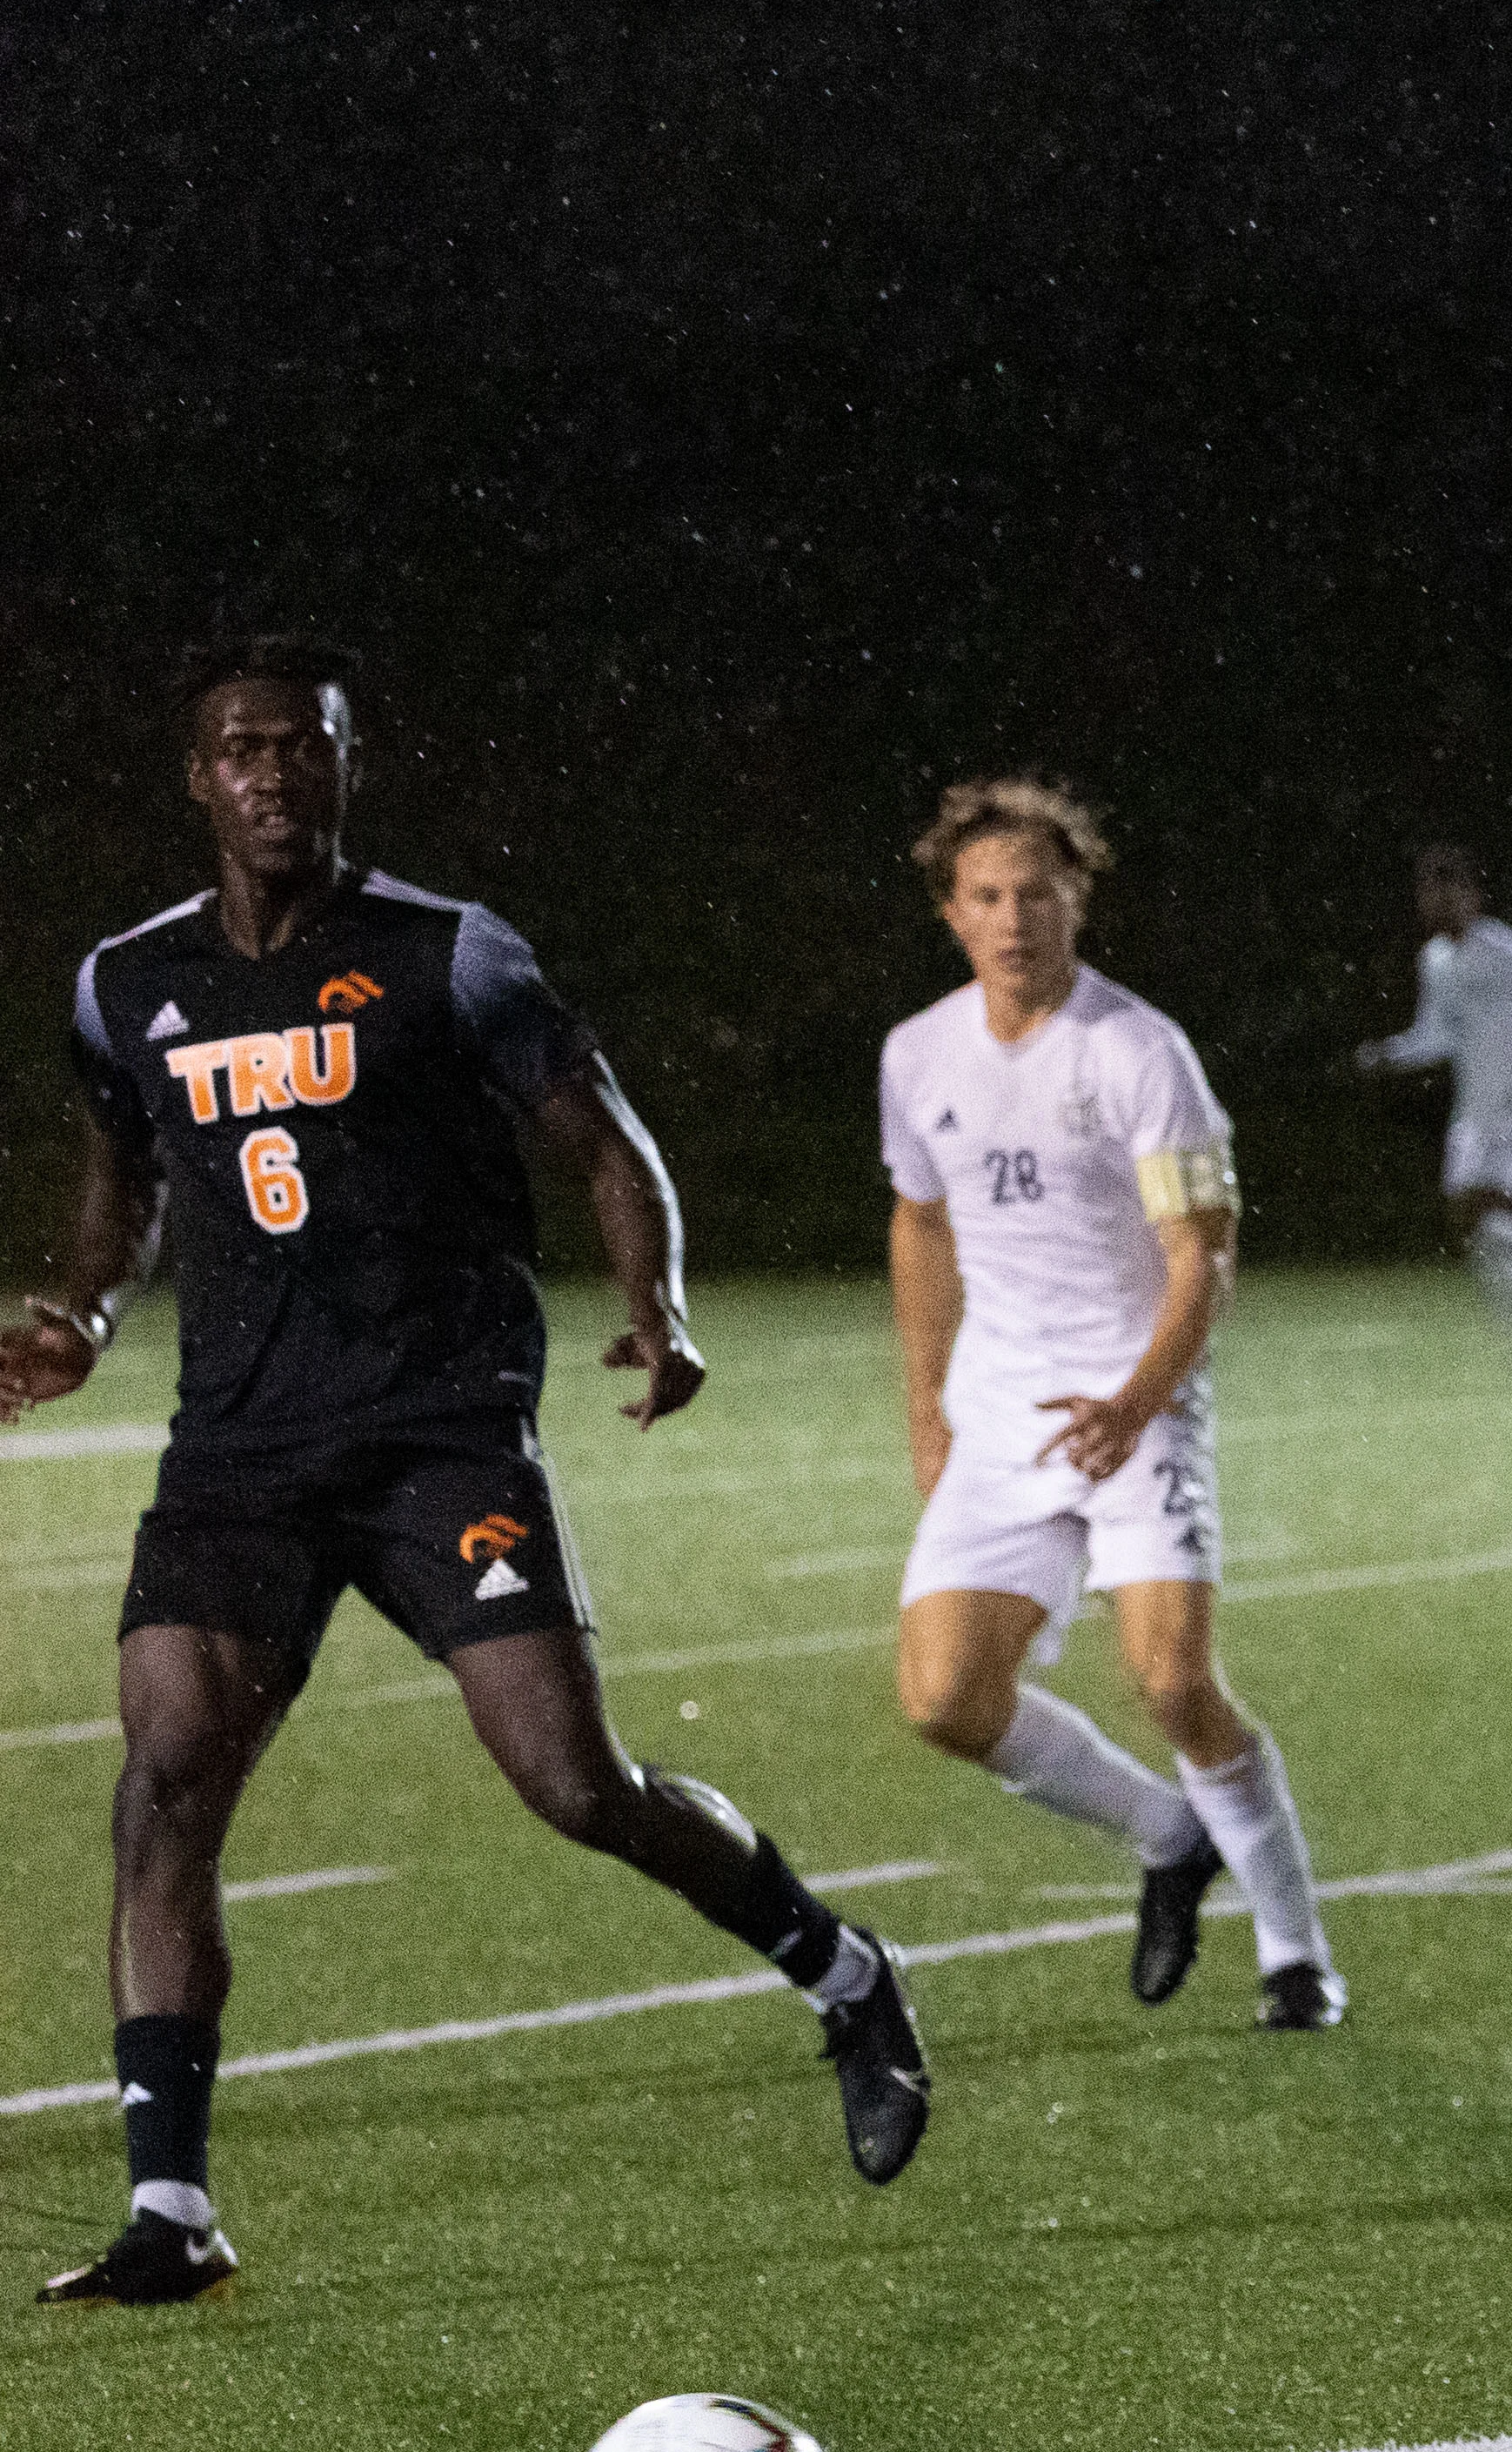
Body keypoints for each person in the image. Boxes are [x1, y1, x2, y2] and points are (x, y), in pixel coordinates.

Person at [5, 638, 932, 2306]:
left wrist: (655, 1300)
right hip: (241, 1447)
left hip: (441, 1427)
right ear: (195, 780)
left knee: (575, 1786)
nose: (271, 771)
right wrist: (79, 1306)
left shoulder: (451, 954)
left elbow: (605, 1137)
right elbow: (122, 1172)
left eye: (302, 744)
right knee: (165, 1781)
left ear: (347, 765)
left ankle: (843, 1965)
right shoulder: (124, 983)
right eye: (239, 748)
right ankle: (173, 2207)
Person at [880, 775, 1348, 2031]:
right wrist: (928, 1404)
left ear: (1078, 897)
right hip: (1005, 1417)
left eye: (1038, 891)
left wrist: (1141, 1399)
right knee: (944, 1700)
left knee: (1174, 1685)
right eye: (987, 896)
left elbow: (1204, 1252)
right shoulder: (918, 1054)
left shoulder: (1139, 1051)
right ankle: (1167, 1838)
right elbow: (922, 1220)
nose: (1015, 917)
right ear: (952, 914)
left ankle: (1297, 1957)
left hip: (1141, 1403)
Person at [1358, 845, 1512, 1363]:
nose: (1439, 905)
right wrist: (1390, 1055)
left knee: (1480, 1213)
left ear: (1472, 897)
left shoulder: (1504, 947)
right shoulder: (1435, 960)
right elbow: (1437, 1035)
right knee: (1472, 1222)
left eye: (1450, 893)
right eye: (1430, 895)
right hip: (1474, 1107)